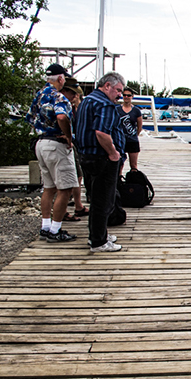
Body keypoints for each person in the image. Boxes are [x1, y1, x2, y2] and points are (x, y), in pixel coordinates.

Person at [75, 72, 127, 253]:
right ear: (107, 86)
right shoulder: (105, 104)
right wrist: (113, 153)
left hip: (87, 156)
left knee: (95, 198)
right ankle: (98, 241)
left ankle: (99, 233)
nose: (120, 95)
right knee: (103, 201)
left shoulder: (87, 101)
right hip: (102, 158)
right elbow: (102, 133)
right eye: (118, 90)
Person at [25, 63, 78, 243]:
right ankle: (55, 230)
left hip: (40, 143)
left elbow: (29, 118)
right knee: (65, 188)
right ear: (61, 78)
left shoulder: (39, 96)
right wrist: (68, 136)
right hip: (56, 144)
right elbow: (62, 116)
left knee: (49, 187)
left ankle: (45, 226)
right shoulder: (58, 97)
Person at [60, 77, 88, 219]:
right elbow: (62, 119)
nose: (74, 97)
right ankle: (62, 212)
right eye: (73, 94)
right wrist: (68, 137)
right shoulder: (61, 103)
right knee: (68, 180)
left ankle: (78, 205)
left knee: (77, 176)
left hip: (74, 144)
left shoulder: (74, 106)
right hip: (66, 144)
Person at [116, 87, 143, 175]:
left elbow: (139, 126)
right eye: (124, 95)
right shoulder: (117, 109)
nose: (126, 97)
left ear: (132, 96)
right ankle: (119, 182)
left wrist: (135, 134)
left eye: (128, 95)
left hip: (132, 140)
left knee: (133, 165)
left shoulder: (136, 111)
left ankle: (133, 184)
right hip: (120, 140)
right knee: (119, 164)